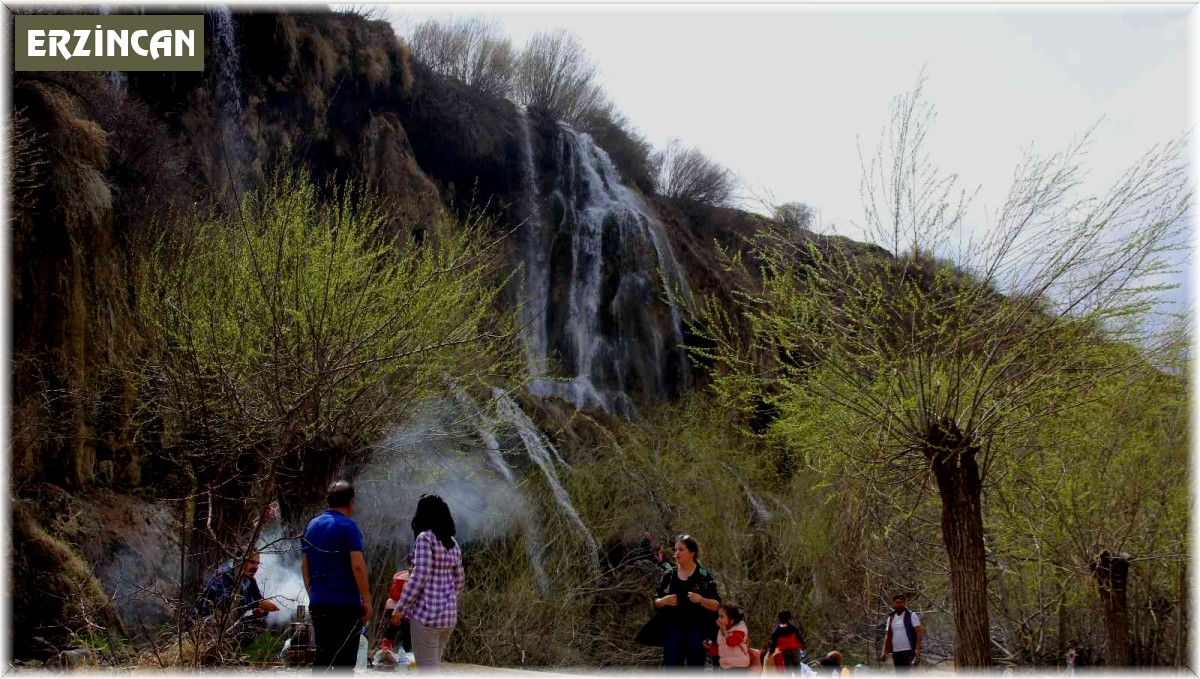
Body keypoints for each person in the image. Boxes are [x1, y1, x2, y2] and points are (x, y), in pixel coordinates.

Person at [303, 480, 372, 673]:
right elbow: (357, 566)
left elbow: (305, 565)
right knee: (344, 662)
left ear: (328, 501)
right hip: (345, 605)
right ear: (351, 502)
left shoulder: (312, 525)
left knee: (322, 656)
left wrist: (313, 593)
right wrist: (366, 600)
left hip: (319, 602)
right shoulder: (349, 526)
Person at [395, 494, 465, 671]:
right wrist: (447, 600)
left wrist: (400, 608)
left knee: (427, 671)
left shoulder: (425, 538)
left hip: (427, 617)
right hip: (448, 618)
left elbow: (420, 575)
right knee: (433, 668)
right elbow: (459, 579)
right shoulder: (452, 543)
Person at [652, 534, 721, 669]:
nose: (676, 553)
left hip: (697, 628)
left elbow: (716, 605)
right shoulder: (669, 575)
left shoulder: (703, 576)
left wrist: (701, 600)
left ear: (691, 553)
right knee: (671, 666)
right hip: (673, 628)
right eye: (675, 549)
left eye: (681, 549)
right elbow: (655, 599)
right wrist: (662, 601)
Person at [195, 551, 281, 646]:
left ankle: (229, 653)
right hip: (205, 625)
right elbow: (225, 602)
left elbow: (259, 601)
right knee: (217, 619)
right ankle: (213, 650)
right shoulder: (221, 577)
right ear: (239, 562)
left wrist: (261, 611)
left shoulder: (250, 581)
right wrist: (257, 603)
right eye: (252, 562)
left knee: (260, 622)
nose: (255, 567)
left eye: (257, 564)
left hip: (230, 625)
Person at [880, 594, 923, 672]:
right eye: (897, 602)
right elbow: (887, 635)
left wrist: (917, 649)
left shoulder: (911, 615)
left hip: (909, 650)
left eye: (901, 602)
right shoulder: (891, 618)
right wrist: (884, 651)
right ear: (893, 603)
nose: (899, 604)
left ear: (904, 603)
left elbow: (919, 632)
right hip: (896, 651)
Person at [714, 604, 751, 671]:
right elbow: (720, 648)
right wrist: (710, 647)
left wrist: (724, 631)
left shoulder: (740, 631)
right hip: (725, 667)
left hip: (739, 667)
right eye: (718, 616)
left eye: (722, 616)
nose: (718, 619)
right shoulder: (721, 631)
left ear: (731, 621)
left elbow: (731, 642)